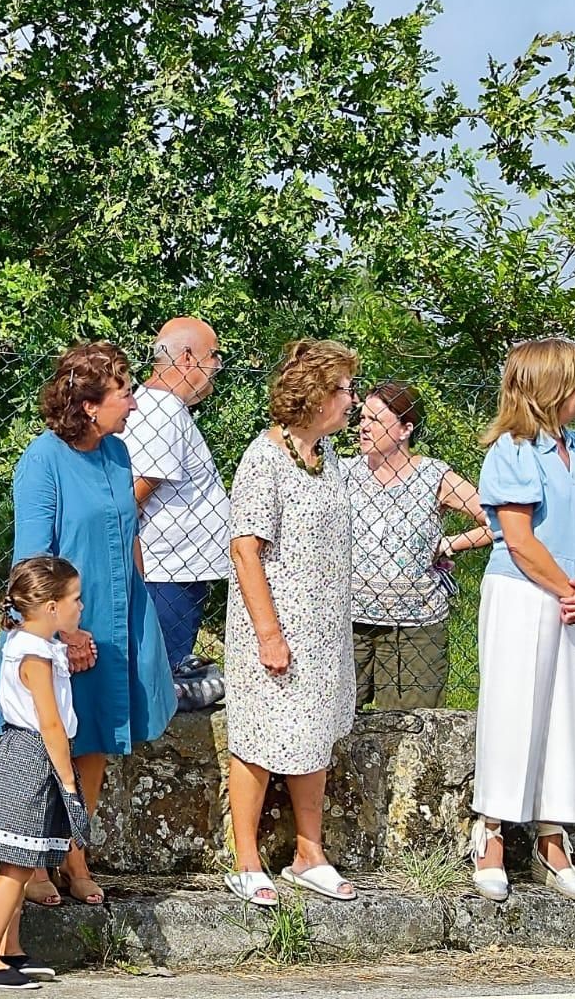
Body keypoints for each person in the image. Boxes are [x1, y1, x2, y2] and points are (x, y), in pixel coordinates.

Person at [7, 341, 176, 908]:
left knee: (96, 743)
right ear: (87, 404)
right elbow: (31, 562)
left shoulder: (119, 454)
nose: (133, 401)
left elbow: (128, 535)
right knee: (45, 744)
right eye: (124, 391)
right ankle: (30, 862)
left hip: (115, 615)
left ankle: (73, 855)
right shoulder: (41, 460)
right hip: (58, 626)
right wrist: (61, 633)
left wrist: (136, 610)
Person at [468, 339, 575, 906]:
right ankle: (491, 835)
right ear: (552, 387)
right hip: (524, 596)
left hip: (569, 597)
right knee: (513, 712)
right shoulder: (511, 451)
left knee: (561, 716)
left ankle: (553, 840)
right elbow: (519, 541)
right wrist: (568, 588)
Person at [223, 339, 360, 907]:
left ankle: (310, 853)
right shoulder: (264, 458)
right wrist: (270, 634)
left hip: (324, 627)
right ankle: (247, 861)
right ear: (317, 395)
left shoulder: (325, 461)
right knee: (258, 737)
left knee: (313, 735)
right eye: (345, 389)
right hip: (276, 625)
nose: (353, 400)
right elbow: (245, 550)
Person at [0, 556, 92, 991]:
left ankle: (9, 949)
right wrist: (69, 783)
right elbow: (50, 722)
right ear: (51, 606)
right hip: (29, 760)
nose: (80, 606)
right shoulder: (33, 654)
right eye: (75, 599)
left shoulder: (31, 643)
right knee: (16, 867)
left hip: (28, 756)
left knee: (22, 860)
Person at [346, 382, 490, 710]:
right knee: (336, 722)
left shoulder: (434, 476)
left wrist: (451, 544)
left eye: (376, 420)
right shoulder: (344, 472)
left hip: (414, 628)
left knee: (410, 728)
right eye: (362, 418)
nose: (363, 426)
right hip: (349, 622)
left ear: (404, 429)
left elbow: (497, 521)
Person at [117, 317, 230, 670]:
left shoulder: (159, 407)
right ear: (186, 358)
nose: (218, 366)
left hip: (174, 569)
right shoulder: (163, 412)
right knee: (160, 672)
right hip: (167, 573)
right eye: (214, 355)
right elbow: (134, 494)